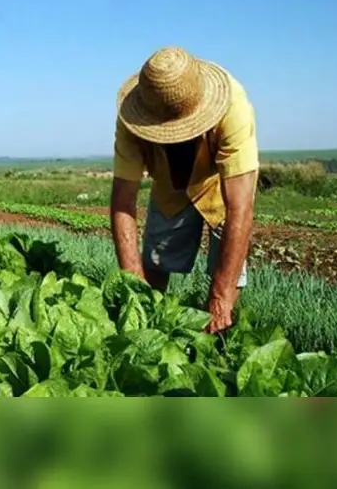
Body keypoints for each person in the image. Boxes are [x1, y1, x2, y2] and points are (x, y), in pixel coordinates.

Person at [110, 46, 259, 334]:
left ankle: (218, 340)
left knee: (225, 285)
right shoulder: (132, 118)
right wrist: (132, 284)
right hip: (168, 182)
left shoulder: (233, 107)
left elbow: (240, 207)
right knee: (154, 262)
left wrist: (220, 296)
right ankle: (148, 329)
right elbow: (123, 200)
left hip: (218, 180)